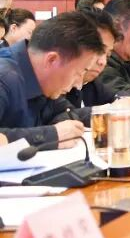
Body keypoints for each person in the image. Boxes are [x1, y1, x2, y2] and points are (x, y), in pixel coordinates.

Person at [0, 12, 103, 148]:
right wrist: (51, 136)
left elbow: (65, 112)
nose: (77, 83)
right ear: (52, 60)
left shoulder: (46, 84)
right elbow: (55, 132)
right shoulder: (4, 77)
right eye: (78, 73)